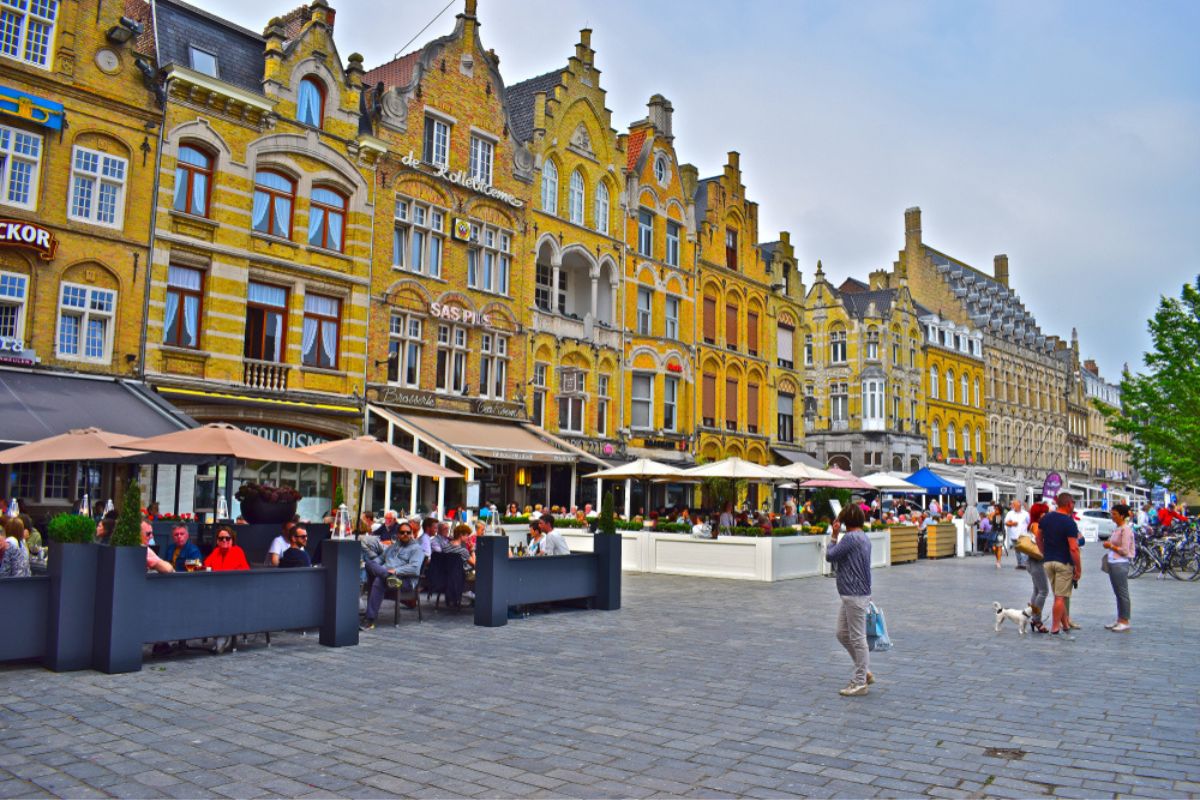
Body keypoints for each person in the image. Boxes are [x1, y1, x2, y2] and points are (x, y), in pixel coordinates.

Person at [825, 503, 874, 697]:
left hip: (854, 594)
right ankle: (864, 672)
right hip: (854, 594)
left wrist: (834, 536)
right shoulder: (863, 537)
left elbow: (830, 556)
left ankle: (860, 681)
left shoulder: (851, 538)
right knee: (842, 633)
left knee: (857, 638)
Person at [361, 521, 423, 629]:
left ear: (411, 533)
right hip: (390, 578)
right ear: (398, 534)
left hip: (404, 581)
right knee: (369, 563)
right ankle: (387, 577)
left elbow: (415, 568)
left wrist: (396, 571)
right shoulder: (393, 547)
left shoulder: (416, 549)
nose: (405, 535)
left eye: (408, 533)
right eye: (402, 532)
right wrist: (376, 565)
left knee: (378, 580)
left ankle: (370, 619)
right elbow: (380, 559)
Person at [1040, 492, 1082, 636]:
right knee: (1059, 597)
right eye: (1073, 504)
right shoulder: (1069, 522)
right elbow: (1073, 548)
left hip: (1048, 561)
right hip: (1063, 562)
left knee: (1059, 595)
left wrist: (1043, 552)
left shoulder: (1046, 518)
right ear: (1069, 504)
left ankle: (1064, 624)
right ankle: (1055, 627)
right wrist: (1078, 568)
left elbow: (1038, 537)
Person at [1103, 503, 1135, 632]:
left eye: (1115, 514)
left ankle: (1125, 620)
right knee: (1117, 592)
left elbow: (1125, 550)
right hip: (1113, 562)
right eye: (1112, 513)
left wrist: (1110, 546)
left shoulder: (1125, 530)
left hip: (1120, 563)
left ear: (1122, 515)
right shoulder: (1117, 528)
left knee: (1122, 593)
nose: (1112, 516)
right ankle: (1119, 619)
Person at [1025, 502, 1051, 634]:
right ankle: (1036, 619)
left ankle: (1031, 615)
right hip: (1037, 561)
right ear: (1041, 514)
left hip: (1033, 561)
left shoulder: (1033, 524)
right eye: (1046, 512)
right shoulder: (1036, 526)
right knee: (1043, 591)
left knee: (1036, 590)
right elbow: (1040, 540)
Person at [1005, 499, 1031, 569]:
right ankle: (1019, 564)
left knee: (1024, 551)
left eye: (1014, 505)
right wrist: (1012, 523)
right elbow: (1006, 522)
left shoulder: (1025, 514)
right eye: (1013, 505)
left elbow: (1029, 523)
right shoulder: (1010, 513)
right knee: (1017, 551)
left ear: (1019, 505)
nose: (1013, 506)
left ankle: (1024, 564)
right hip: (1014, 535)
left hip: (1023, 535)